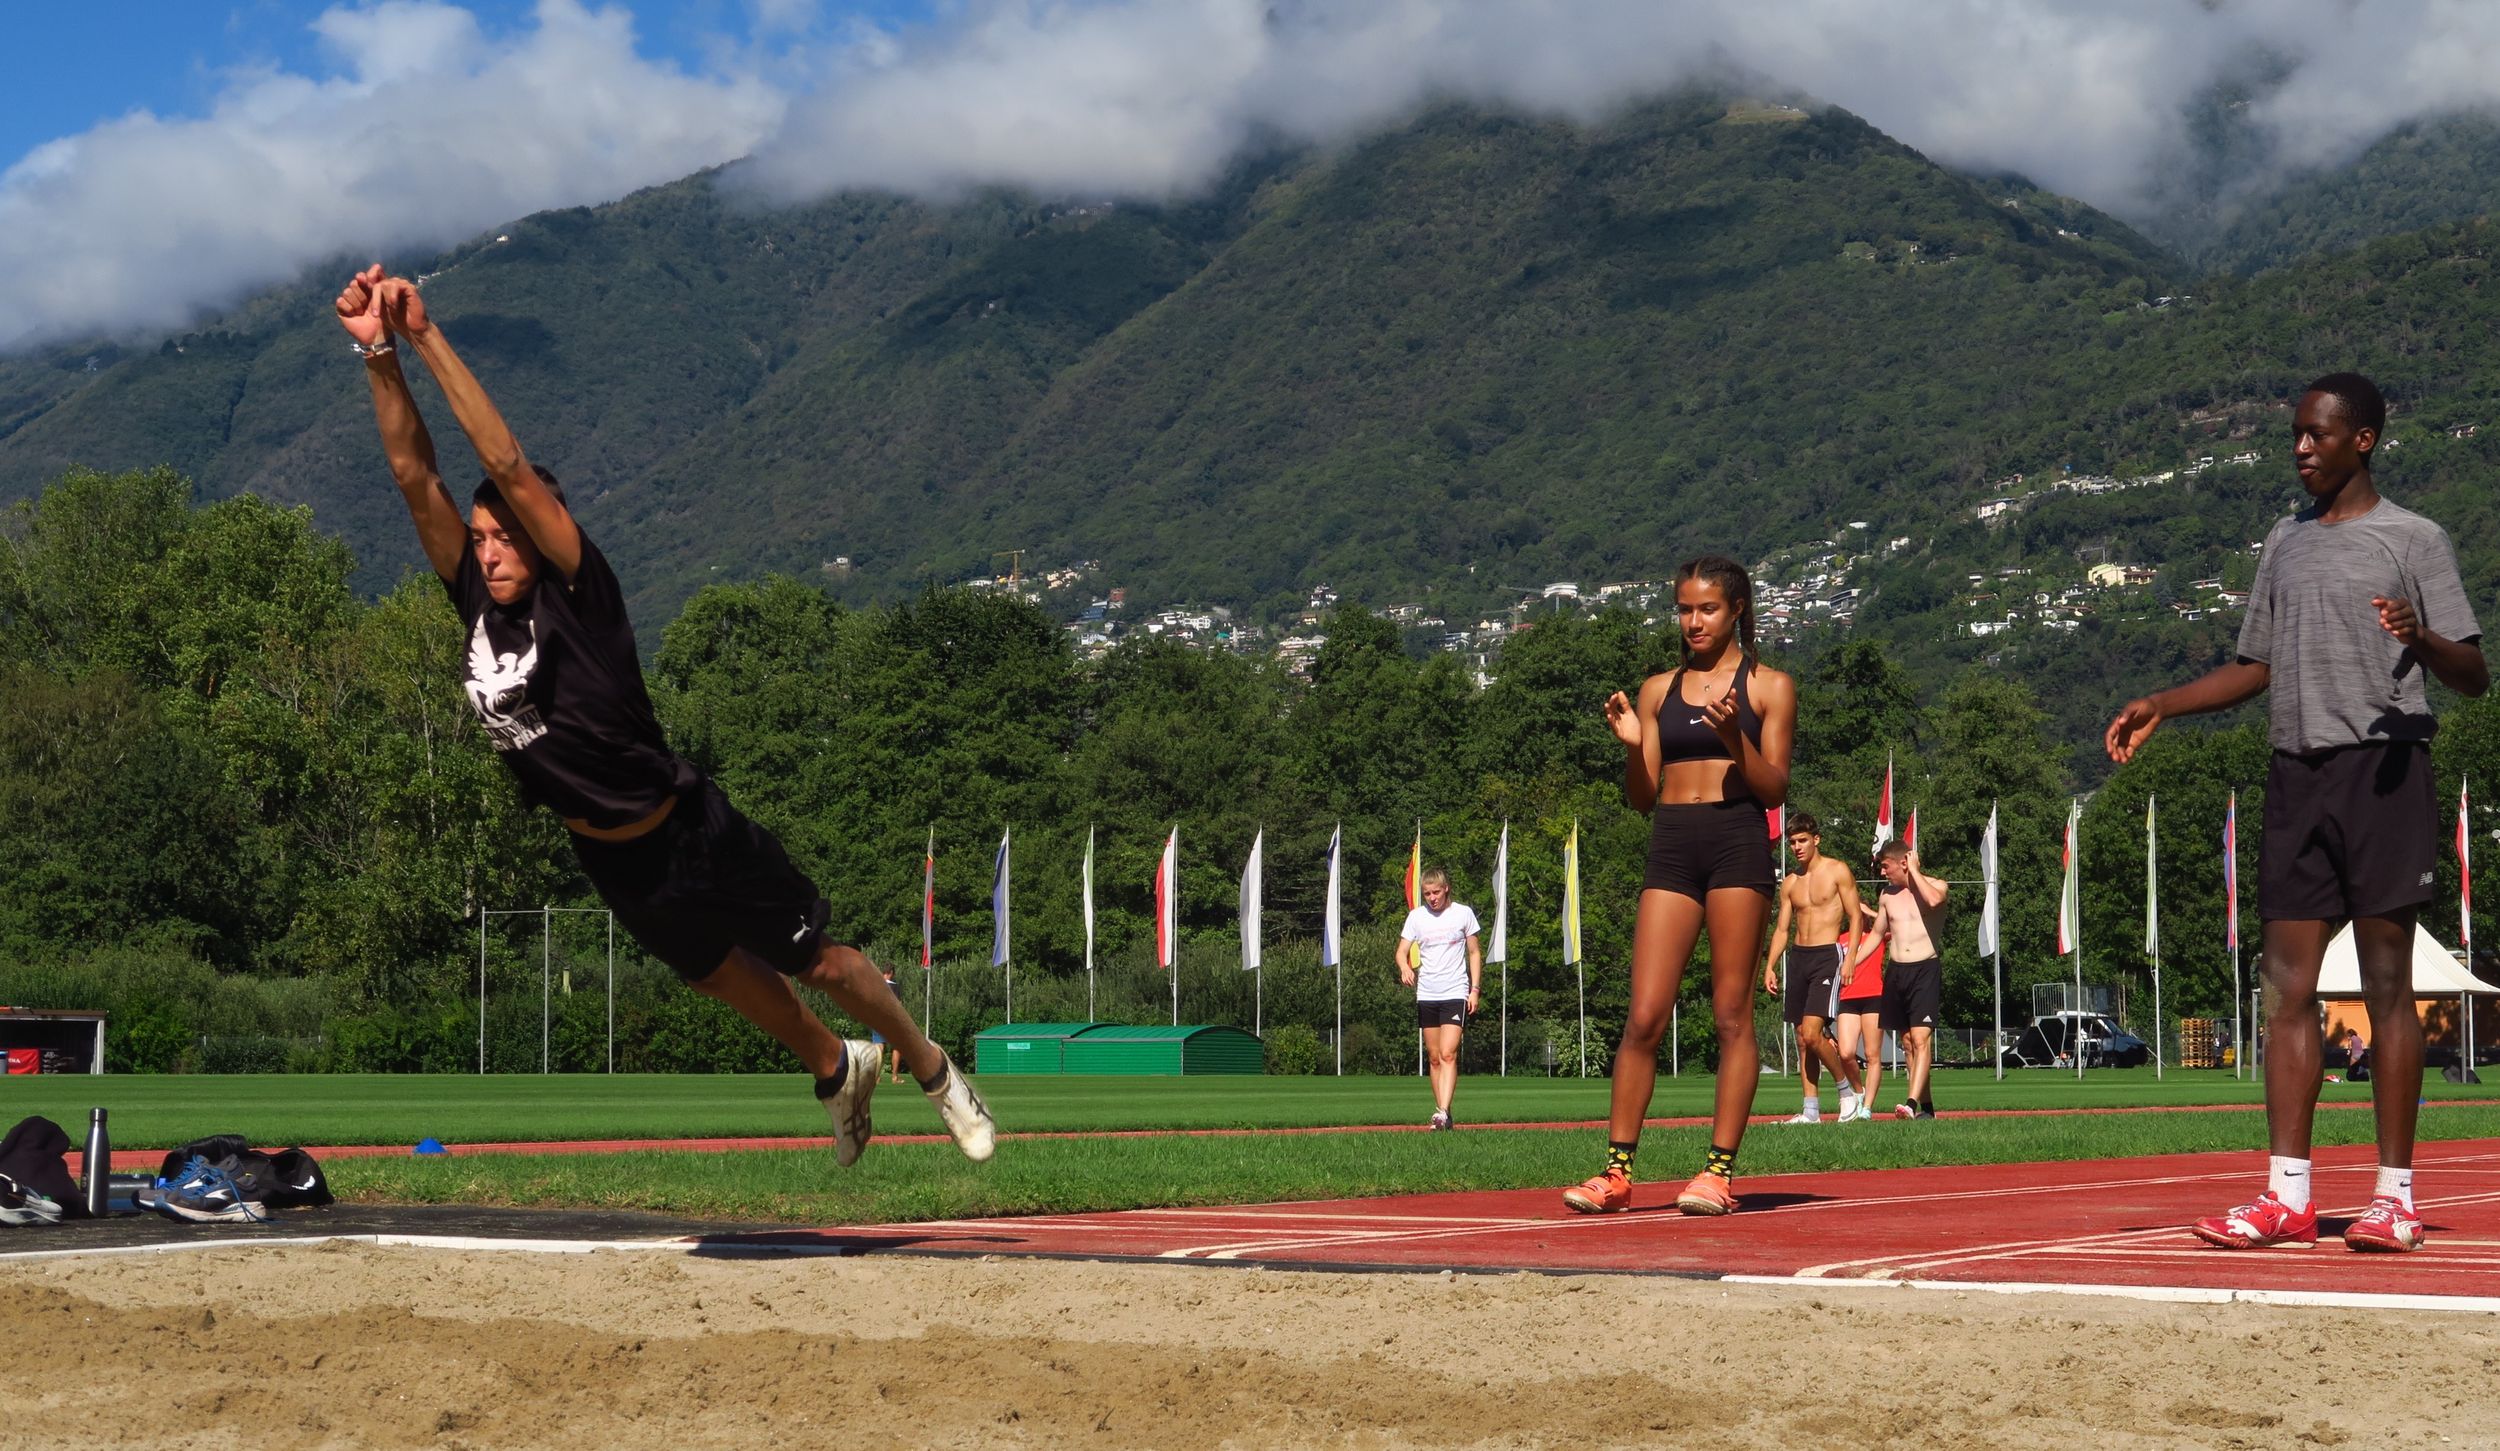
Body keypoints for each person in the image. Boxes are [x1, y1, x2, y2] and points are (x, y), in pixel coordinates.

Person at [333, 264, 995, 1168]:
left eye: (505, 535)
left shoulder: (580, 593)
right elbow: (416, 475)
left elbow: (505, 464)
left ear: (543, 531)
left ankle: (933, 1067)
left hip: (687, 827)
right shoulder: (476, 599)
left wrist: (422, 334)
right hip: (611, 857)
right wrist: (376, 352)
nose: (487, 552)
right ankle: (840, 1069)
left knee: (823, 963)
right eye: (479, 538)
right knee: (719, 976)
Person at [2107, 372, 2485, 1253]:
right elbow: (2257, 667)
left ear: (2365, 439)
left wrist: (2420, 636)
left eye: (2318, 433)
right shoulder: (2284, 540)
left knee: (2388, 988)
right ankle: (2287, 1197)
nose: (2302, 448)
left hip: (2386, 772)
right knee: (2286, 989)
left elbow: (2473, 673)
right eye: (2296, 435)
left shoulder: (2415, 539)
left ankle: (2395, 1199)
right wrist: (2164, 702)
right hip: (2297, 774)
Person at [1563, 555, 1795, 1216]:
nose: (1694, 621)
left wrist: (1733, 738)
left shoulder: (1770, 687)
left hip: (1736, 841)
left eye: (1707, 608)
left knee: (1730, 1014)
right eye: (1685, 609)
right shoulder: (1658, 689)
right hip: (1672, 844)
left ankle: (1717, 1172)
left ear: (1737, 610)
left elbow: (1774, 787)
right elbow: (1642, 797)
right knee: (1643, 1015)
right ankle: (1616, 1174)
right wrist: (1633, 743)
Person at [1762, 812, 1867, 1123]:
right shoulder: (1790, 882)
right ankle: (1810, 1111)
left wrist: (1850, 957)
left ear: (1816, 839)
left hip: (1826, 956)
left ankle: (1847, 1093)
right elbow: (1782, 929)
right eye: (1793, 842)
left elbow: (1856, 916)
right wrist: (1770, 965)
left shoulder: (1837, 870)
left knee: (1812, 1032)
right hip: (1799, 957)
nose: (1797, 847)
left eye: (1802, 840)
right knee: (1801, 1037)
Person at [1850, 840, 1947, 1118]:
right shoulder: (1886, 895)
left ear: (1904, 862)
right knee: (1907, 1042)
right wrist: (1851, 962)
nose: (1883, 872)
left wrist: (1914, 871)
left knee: (1920, 1038)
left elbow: (1933, 901)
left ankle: (1911, 1103)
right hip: (1896, 972)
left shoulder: (1936, 885)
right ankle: (1926, 1109)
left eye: (1886, 866)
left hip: (1924, 969)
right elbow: (1877, 934)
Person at [1397, 868, 1483, 1130]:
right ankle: (1444, 1114)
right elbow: (1401, 951)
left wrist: (1475, 989)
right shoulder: (1416, 917)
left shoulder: (1463, 913)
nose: (1432, 898)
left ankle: (1442, 1112)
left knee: (1448, 1053)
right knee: (1434, 1057)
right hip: (1427, 994)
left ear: (1446, 889)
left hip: (1455, 992)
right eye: (1427, 894)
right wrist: (1404, 967)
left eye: (1436, 892)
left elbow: (1474, 952)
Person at [1832, 897, 1886, 1116]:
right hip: (1848, 997)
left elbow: (1897, 925)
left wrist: (1870, 912)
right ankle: (1859, 1091)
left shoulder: (1877, 935)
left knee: (1873, 1054)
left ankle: (1867, 1108)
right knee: (1845, 1053)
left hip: (1874, 996)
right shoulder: (1841, 938)